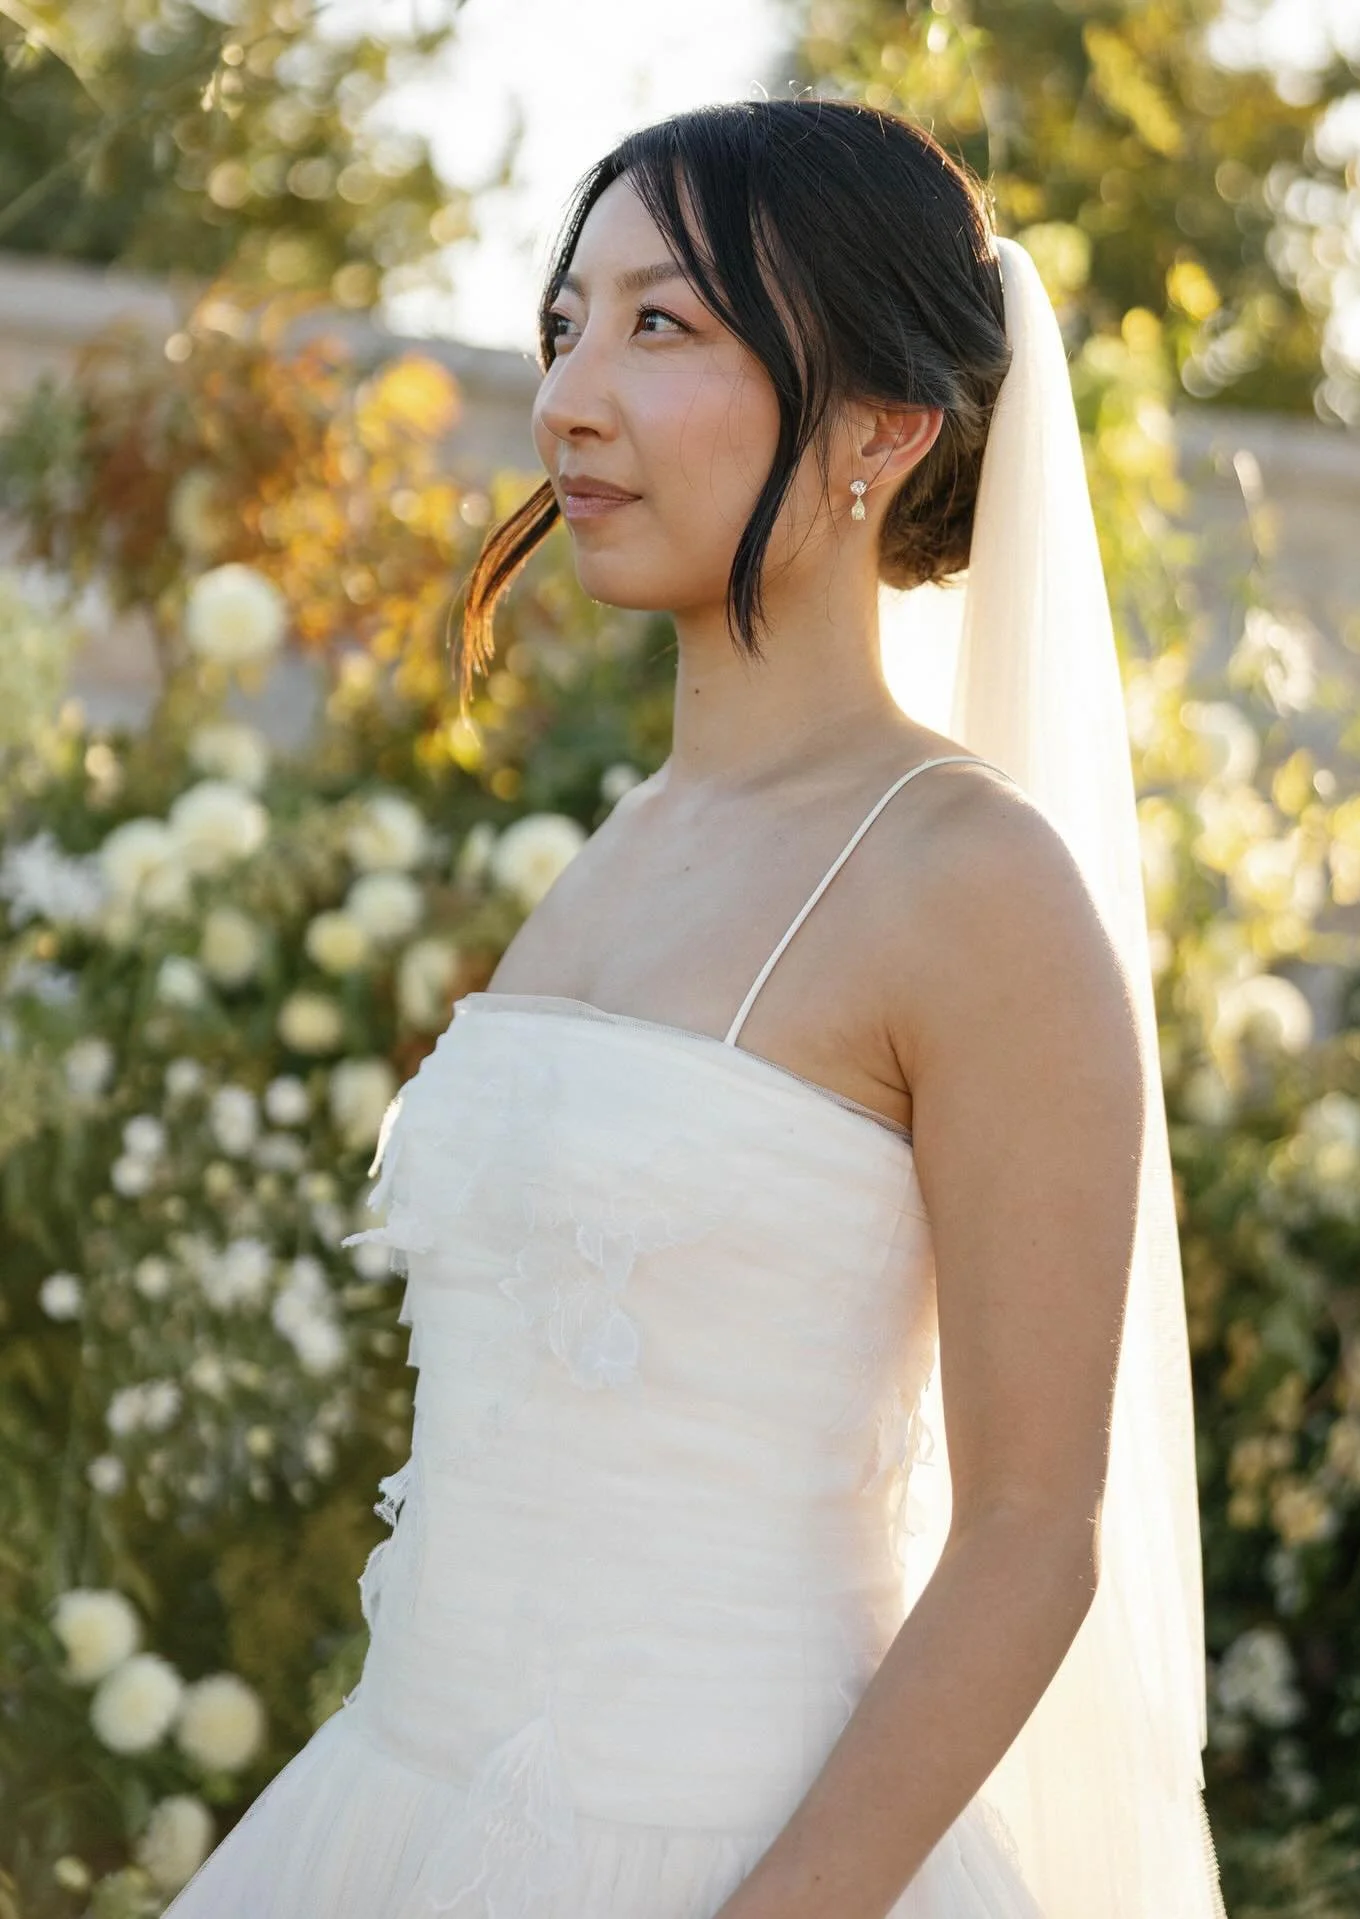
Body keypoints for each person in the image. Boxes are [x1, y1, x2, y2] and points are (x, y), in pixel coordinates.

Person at [160, 97, 1225, 1918]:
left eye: (665, 325)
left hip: (744, 1858)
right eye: (567, 322)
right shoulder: (619, 848)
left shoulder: (972, 884)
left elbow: (1035, 1536)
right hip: (396, 1816)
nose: (573, 395)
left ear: (885, 427)